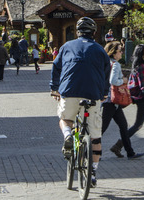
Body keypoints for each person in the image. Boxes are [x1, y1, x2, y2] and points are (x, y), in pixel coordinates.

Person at [50, 17, 111, 187]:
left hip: (69, 91)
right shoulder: (100, 50)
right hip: (93, 95)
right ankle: (92, 172)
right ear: (94, 32)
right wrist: (104, 93)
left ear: (77, 32)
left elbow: (56, 67)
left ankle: (68, 135)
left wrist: (55, 88)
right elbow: (107, 74)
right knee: (95, 137)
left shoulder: (66, 47)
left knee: (65, 119)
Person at [104, 41, 144, 160]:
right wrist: (124, 81)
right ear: (114, 53)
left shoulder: (106, 63)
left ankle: (130, 152)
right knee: (102, 128)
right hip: (111, 101)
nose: (122, 53)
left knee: (123, 125)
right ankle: (92, 151)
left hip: (110, 100)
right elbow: (113, 81)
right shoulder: (115, 64)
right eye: (120, 51)